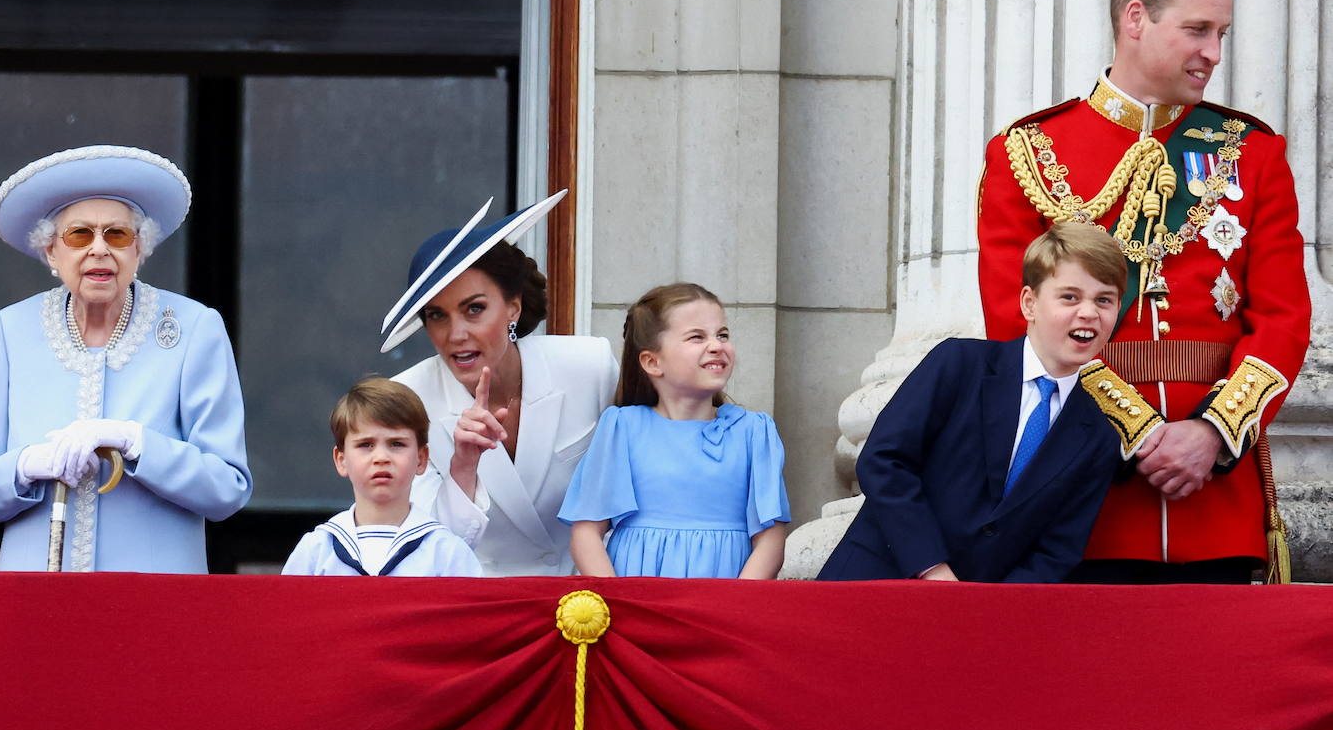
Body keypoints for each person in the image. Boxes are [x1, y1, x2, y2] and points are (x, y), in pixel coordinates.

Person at [976, 0, 1311, 584]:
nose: (1214, 52)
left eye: (1222, 34)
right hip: (1084, 500)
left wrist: (1211, 433)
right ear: (1136, 18)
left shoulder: (1252, 153)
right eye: (1198, 30)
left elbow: (1284, 318)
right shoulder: (1029, 152)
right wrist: (1140, 436)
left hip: (1217, 500)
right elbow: (1011, 322)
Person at [0, 145, 252, 572]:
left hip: (153, 600)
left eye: (117, 235)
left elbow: (227, 487)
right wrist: (23, 466)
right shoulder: (9, 330)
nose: (99, 249)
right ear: (51, 254)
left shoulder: (194, 328)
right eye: (79, 235)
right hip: (35, 601)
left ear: (140, 251)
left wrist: (137, 443)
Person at [820, 224, 1128, 582]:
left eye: (1104, 300)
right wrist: (932, 568)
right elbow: (883, 461)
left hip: (979, 619)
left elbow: (1057, 550)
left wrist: (986, 611)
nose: (1089, 312)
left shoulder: (1098, 434)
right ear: (1029, 303)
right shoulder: (960, 364)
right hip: (876, 582)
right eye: (1070, 297)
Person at [384, 193, 618, 576]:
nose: (455, 334)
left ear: (514, 306)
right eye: (436, 316)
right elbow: (427, 546)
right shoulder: (407, 400)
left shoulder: (589, 366)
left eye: (474, 309)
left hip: (588, 597)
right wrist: (463, 466)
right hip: (479, 604)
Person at [558, 282, 790, 579]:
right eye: (697, 337)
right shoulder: (622, 428)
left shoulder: (755, 432)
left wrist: (735, 606)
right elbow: (587, 534)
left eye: (722, 335)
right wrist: (619, 603)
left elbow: (770, 539)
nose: (717, 345)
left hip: (723, 601)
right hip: (638, 602)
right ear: (653, 362)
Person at [282, 378, 482, 577]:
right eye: (365, 444)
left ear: (421, 459)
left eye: (396, 444)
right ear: (341, 460)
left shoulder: (447, 552)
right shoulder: (316, 550)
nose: (381, 457)